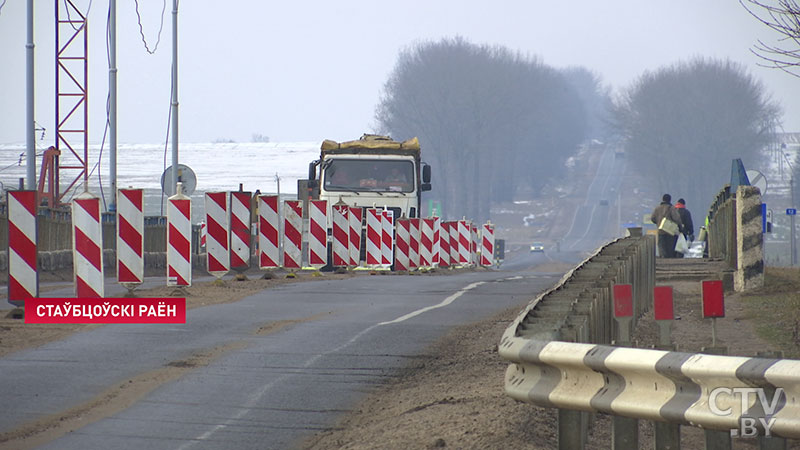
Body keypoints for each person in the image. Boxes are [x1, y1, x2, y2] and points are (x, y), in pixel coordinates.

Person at [650, 193, 683, 258]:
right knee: (670, 246)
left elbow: (652, 218)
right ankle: (669, 260)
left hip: (660, 230)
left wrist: (658, 222)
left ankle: (663, 257)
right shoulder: (671, 208)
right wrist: (680, 227)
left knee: (661, 245)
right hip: (670, 231)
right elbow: (676, 218)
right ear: (670, 200)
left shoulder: (657, 208)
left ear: (663, 199)